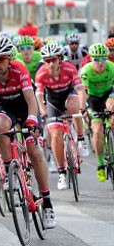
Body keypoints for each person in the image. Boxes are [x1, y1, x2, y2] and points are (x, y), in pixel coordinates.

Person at [0, 35, 56, 228]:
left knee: (34, 152)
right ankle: (10, 167)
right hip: (5, 107)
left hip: (25, 107)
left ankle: (47, 201)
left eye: (1, 59)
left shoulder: (19, 70)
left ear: (9, 59)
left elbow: (30, 100)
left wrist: (33, 121)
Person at [35, 41, 87, 191]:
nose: (50, 64)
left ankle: (81, 139)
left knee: (73, 107)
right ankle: (62, 172)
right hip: (53, 103)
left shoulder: (69, 69)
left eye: (53, 60)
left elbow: (80, 89)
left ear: (60, 59)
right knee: (56, 135)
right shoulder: (41, 74)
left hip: (69, 96)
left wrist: (82, 107)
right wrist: (43, 112)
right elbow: (38, 95)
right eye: (47, 61)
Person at [79, 43, 114, 182]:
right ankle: (100, 165)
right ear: (91, 59)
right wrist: (84, 109)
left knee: (111, 107)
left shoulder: (111, 67)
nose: (100, 63)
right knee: (97, 131)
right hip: (92, 98)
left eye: (103, 59)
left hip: (108, 95)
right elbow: (82, 93)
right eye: (96, 60)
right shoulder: (86, 71)